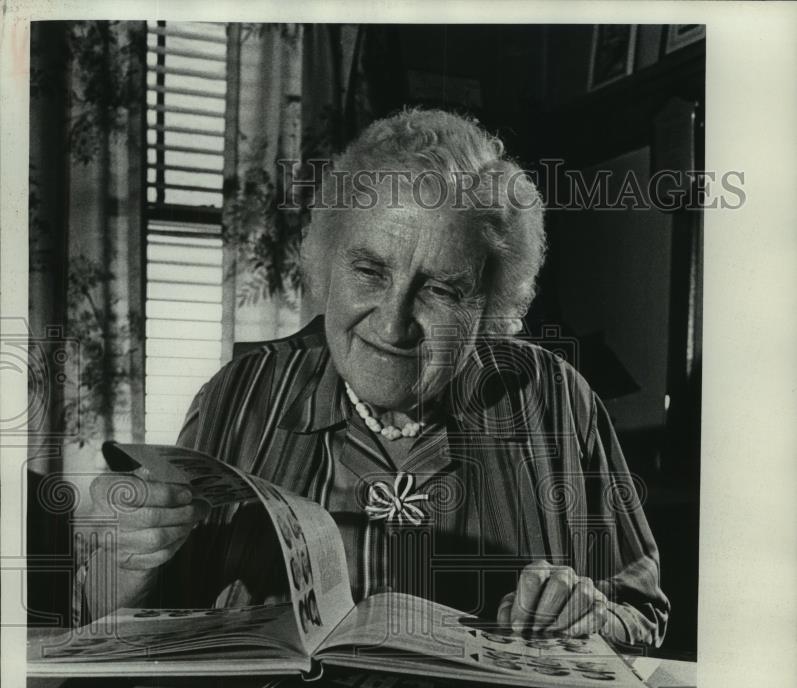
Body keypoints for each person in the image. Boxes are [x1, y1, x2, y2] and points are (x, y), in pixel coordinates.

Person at [83, 108, 669, 647]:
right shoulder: (239, 396)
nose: (392, 324)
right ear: (326, 260)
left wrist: (594, 614)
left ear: (489, 302)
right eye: (369, 270)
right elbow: (134, 628)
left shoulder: (557, 400)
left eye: (440, 289)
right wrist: (123, 561)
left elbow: (641, 611)